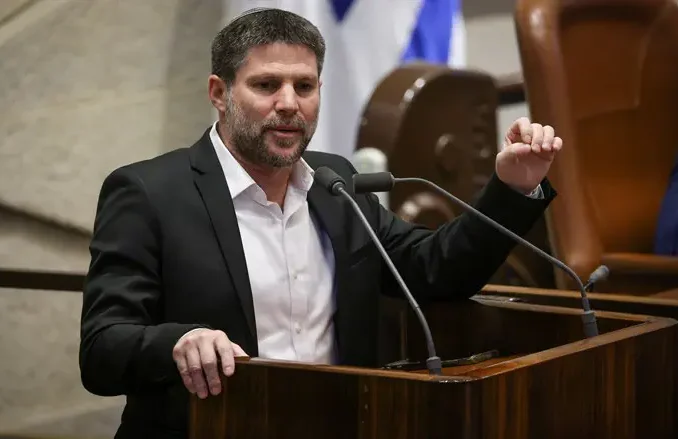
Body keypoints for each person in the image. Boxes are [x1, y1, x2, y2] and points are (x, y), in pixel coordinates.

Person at [79, 7, 562, 439]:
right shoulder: (149, 193)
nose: (289, 103)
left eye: (304, 86)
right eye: (266, 85)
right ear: (219, 94)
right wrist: (178, 343)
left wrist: (513, 188)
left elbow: (435, 269)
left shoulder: (336, 183)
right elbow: (102, 349)